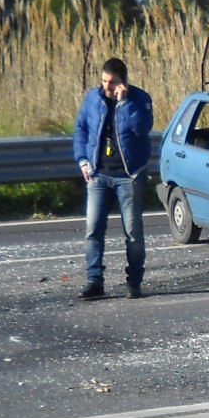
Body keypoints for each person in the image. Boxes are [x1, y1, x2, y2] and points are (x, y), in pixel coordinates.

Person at [72, 58, 155, 299]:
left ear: (123, 82)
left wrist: (124, 102)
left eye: (112, 82)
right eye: (104, 81)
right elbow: (81, 129)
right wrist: (83, 160)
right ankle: (94, 280)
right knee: (93, 229)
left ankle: (134, 280)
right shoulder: (92, 98)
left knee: (133, 233)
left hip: (129, 176)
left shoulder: (140, 99)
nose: (107, 86)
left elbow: (141, 128)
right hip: (99, 175)